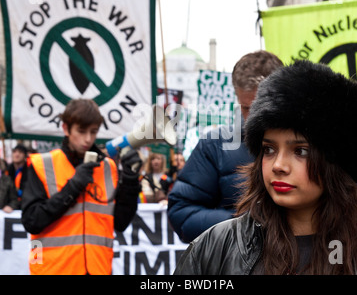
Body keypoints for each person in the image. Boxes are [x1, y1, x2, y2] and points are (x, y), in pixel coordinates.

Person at [174, 60, 357, 275]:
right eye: (269, 149)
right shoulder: (214, 248)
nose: (278, 166)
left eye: (300, 151)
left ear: (337, 163)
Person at [168, 50, 283, 242]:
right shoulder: (214, 145)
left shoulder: (317, 141)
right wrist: (242, 222)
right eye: (247, 108)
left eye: (263, 106)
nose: (254, 117)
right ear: (237, 98)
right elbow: (182, 215)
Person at [22, 99, 142, 275]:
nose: (88, 139)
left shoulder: (108, 167)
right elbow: (32, 222)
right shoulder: (42, 164)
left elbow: (120, 223)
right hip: (52, 269)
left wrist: (131, 181)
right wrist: (73, 186)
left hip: (98, 269)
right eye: (81, 131)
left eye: (93, 132)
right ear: (66, 129)